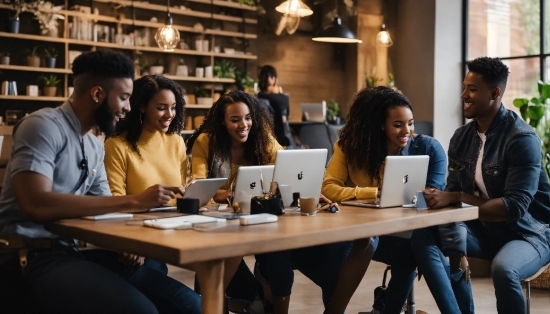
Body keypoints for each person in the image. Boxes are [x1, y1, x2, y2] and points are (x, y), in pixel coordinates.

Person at [0, 49, 200, 313]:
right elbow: (34, 204)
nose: (128, 107)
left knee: (191, 304)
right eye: (124, 98)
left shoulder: (94, 147)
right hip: (26, 254)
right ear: (97, 94)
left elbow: (109, 207)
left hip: (70, 251)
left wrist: (131, 242)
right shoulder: (42, 125)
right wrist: (137, 200)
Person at [411, 56, 550, 314]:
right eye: (465, 87)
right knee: (425, 235)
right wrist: (438, 201)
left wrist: (454, 196)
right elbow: (452, 196)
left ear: (495, 93)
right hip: (484, 231)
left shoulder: (522, 139)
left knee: (504, 268)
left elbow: (513, 208)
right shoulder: (462, 137)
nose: (464, 94)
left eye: (472, 89)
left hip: (527, 233)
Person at [103, 75, 238, 313]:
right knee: (193, 306)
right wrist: (133, 243)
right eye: (161, 108)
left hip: (167, 237)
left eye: (174, 108)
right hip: (133, 249)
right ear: (142, 106)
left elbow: (179, 189)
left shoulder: (175, 141)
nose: (169, 114)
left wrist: (193, 196)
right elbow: (114, 201)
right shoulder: (117, 145)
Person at [321, 86, 448, 314]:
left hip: (404, 232)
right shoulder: (350, 147)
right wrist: (371, 192)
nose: (406, 131)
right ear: (380, 125)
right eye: (398, 125)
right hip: (362, 230)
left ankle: (387, 308)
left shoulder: (427, 149)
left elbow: (430, 200)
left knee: (410, 250)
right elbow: (329, 188)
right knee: (355, 243)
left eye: (410, 123)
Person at [187, 89, 284, 311]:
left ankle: (215, 301)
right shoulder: (207, 142)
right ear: (221, 122)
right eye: (235, 120)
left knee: (229, 255)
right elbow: (198, 186)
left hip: (254, 219)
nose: (244, 125)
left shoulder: (262, 139)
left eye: (248, 118)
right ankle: (228, 299)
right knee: (220, 254)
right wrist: (221, 194)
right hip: (216, 222)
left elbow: (286, 168)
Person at [257, 65, 294, 147]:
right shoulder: (282, 99)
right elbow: (286, 115)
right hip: (280, 136)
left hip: (267, 138)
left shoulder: (258, 98)